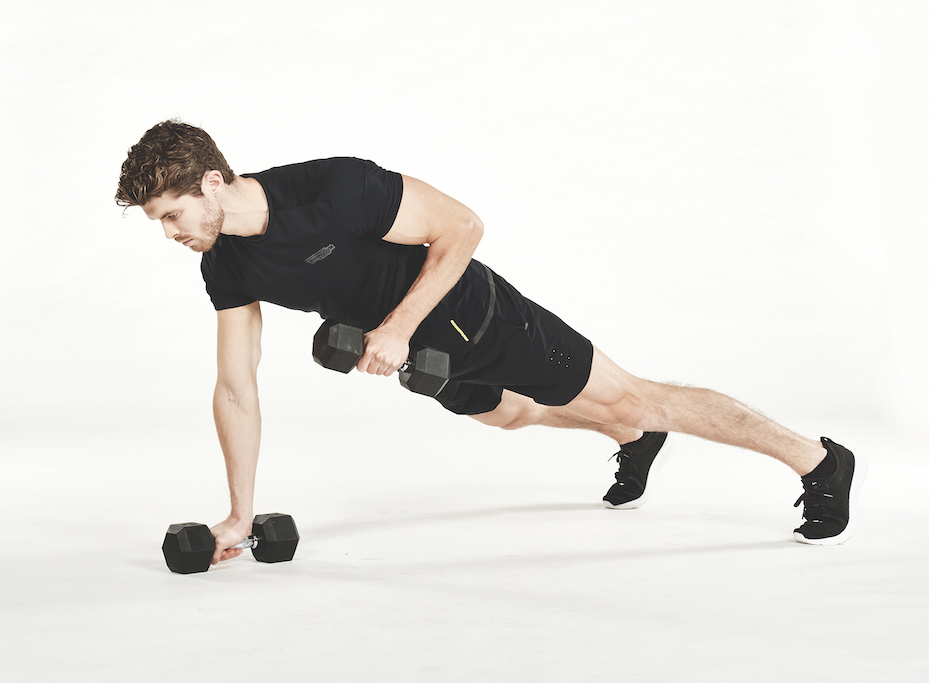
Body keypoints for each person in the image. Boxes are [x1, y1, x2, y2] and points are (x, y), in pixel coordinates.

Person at [115, 120, 867, 565]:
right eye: (159, 223)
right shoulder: (228, 263)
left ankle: (819, 459)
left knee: (637, 392)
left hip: (475, 315)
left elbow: (463, 227)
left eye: (172, 214)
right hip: (412, 355)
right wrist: (239, 516)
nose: (172, 235)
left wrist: (399, 327)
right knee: (512, 416)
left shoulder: (333, 188)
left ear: (213, 180)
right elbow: (235, 384)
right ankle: (631, 436)